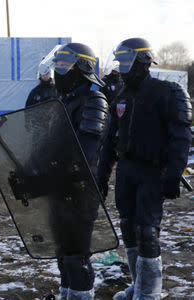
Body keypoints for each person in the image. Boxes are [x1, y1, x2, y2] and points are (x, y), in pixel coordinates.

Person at [97, 38, 192, 300]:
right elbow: (109, 142)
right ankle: (139, 284)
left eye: (127, 61)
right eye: (120, 61)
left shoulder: (167, 92)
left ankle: (149, 293)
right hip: (126, 172)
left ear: (142, 61)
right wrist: (102, 175)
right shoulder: (122, 96)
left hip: (152, 172)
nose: (123, 66)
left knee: (147, 232)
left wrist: (174, 173)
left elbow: (181, 137)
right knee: (128, 228)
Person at [41, 43, 109, 299]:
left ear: (83, 67)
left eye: (64, 64)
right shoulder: (62, 100)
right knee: (62, 252)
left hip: (80, 189)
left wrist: (49, 173)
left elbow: (82, 152)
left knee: (76, 256)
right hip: (60, 186)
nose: (59, 69)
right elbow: (48, 143)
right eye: (57, 64)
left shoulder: (95, 100)